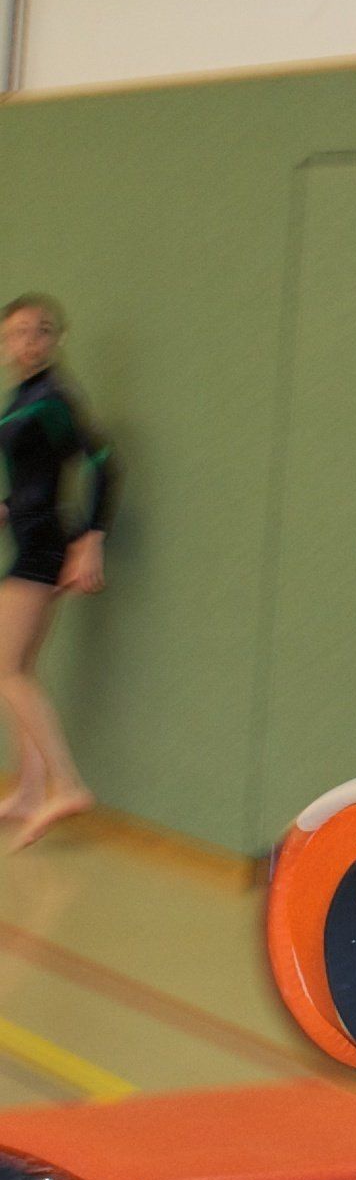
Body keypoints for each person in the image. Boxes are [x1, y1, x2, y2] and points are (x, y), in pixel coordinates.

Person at [0, 294, 117, 850]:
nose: (30, 341)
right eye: (18, 333)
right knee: (18, 665)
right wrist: (7, 508)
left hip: (45, 545)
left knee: (5, 669)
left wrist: (91, 539)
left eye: (41, 331)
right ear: (5, 344)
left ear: (58, 339)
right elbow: (35, 477)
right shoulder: (23, 398)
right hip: (33, 535)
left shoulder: (53, 398)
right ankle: (30, 790)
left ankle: (66, 784)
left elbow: (101, 463)